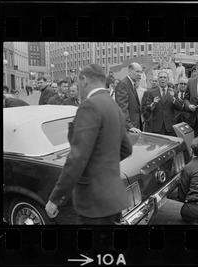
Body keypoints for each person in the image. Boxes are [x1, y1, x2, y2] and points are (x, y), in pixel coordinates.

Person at [45, 64, 133, 225]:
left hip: (93, 201)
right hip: (113, 198)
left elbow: (77, 158)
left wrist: (55, 198)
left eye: (78, 83)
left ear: (84, 80)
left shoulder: (89, 106)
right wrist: (103, 165)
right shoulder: (113, 105)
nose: (78, 88)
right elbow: (126, 149)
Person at [141, 70, 181, 136]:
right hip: (156, 127)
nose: (163, 79)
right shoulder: (150, 93)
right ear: (158, 79)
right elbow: (144, 109)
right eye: (161, 77)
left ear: (168, 79)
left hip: (169, 127)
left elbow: (179, 107)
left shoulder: (174, 93)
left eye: (165, 77)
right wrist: (152, 105)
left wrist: (174, 100)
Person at [115, 62, 143, 133]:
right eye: (137, 71)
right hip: (130, 128)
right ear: (130, 71)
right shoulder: (124, 84)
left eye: (140, 72)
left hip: (134, 126)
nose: (139, 74)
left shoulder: (131, 84)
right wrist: (129, 126)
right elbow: (122, 108)